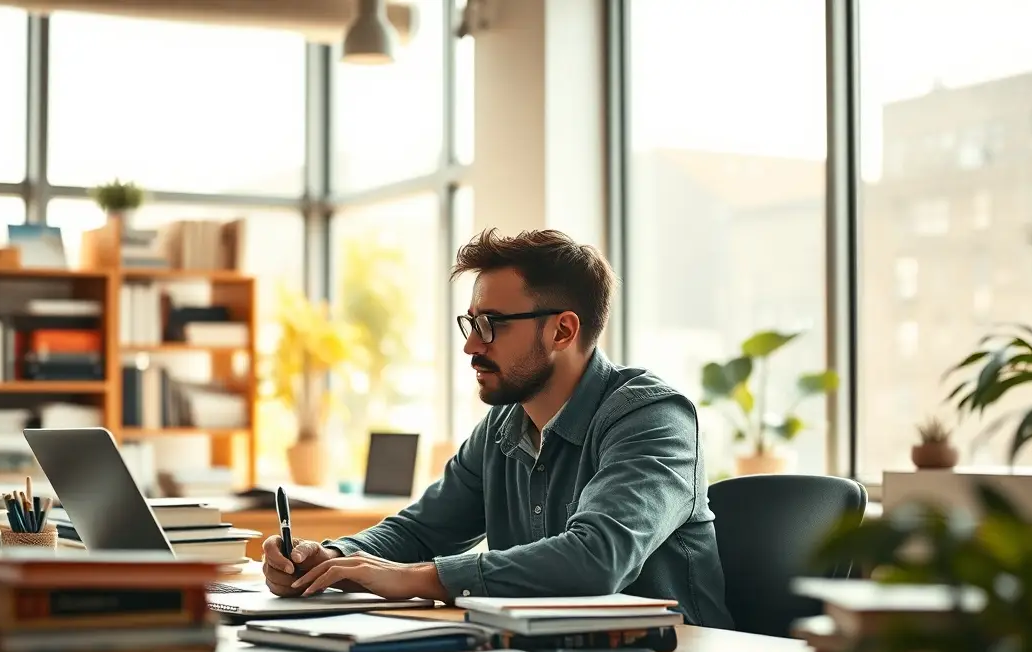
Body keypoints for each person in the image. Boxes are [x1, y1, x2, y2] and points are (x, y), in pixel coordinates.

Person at [262, 228, 734, 629]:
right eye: (470, 323)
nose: (470, 345)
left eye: (490, 325)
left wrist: (420, 578)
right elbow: (421, 532)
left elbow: (597, 560)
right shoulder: (504, 425)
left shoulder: (653, 419)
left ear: (562, 331)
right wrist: (325, 559)